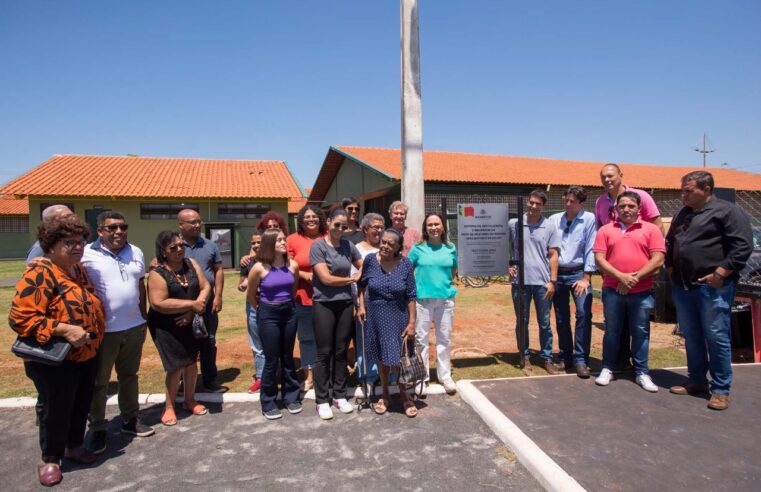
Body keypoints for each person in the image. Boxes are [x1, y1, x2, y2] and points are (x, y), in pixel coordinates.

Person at [10, 215, 105, 487]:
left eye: (81, 242)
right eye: (70, 243)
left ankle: (74, 446)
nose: (78, 247)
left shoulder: (77, 270)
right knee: (56, 408)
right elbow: (21, 318)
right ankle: (50, 458)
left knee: (80, 403)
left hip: (86, 353)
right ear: (51, 246)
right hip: (56, 359)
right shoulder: (41, 271)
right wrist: (64, 329)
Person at [666, 171, 752, 410]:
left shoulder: (728, 212)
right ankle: (696, 381)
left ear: (707, 190)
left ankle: (721, 389)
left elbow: (743, 246)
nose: (683, 195)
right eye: (682, 190)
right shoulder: (682, 213)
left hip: (713, 288)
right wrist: (670, 267)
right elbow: (671, 241)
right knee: (691, 336)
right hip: (684, 286)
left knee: (716, 336)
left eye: (689, 190)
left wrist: (720, 273)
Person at [82, 211, 153, 456]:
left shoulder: (136, 252)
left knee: (129, 376)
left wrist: (143, 318)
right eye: (112, 228)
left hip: (133, 327)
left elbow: (139, 287)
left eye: (123, 227)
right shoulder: (86, 254)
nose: (119, 232)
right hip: (103, 331)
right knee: (99, 383)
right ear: (100, 230)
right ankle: (98, 428)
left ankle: (130, 419)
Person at [593, 192, 665, 392]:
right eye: (622, 206)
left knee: (640, 332)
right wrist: (621, 277)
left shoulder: (651, 229)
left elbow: (657, 259)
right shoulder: (606, 230)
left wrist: (634, 279)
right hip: (612, 290)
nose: (626, 209)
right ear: (616, 209)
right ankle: (608, 368)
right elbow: (600, 259)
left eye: (630, 206)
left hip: (642, 292)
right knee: (612, 331)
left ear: (639, 208)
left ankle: (642, 372)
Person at [147, 231, 211, 426]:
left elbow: (205, 286)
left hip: (191, 322)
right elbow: (158, 303)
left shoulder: (191, 264)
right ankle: (169, 407)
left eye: (181, 245)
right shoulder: (157, 273)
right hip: (167, 326)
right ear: (163, 252)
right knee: (175, 366)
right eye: (173, 247)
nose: (179, 249)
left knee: (191, 362)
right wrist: (192, 306)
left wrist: (195, 309)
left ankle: (190, 400)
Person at [357, 228, 418, 417]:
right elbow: (361, 285)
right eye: (383, 241)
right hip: (375, 315)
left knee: (399, 359)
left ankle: (404, 395)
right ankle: (384, 394)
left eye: (390, 244)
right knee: (381, 358)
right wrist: (361, 306)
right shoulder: (369, 261)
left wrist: (412, 323)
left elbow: (411, 295)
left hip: (399, 315)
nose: (384, 246)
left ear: (398, 247)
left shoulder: (405, 264)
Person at [310, 208, 362, 419]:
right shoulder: (318, 246)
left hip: (345, 304)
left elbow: (363, 264)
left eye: (344, 226)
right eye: (337, 225)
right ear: (329, 222)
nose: (340, 229)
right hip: (324, 303)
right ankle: (322, 399)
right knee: (324, 352)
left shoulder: (348, 245)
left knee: (341, 350)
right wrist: (353, 279)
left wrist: (360, 272)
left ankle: (339, 395)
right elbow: (326, 279)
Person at [246, 229, 301, 419]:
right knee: (271, 359)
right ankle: (268, 402)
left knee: (287, 356)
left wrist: (285, 305)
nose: (284, 243)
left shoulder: (292, 265)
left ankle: (291, 397)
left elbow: (293, 290)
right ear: (270, 244)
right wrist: (264, 309)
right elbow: (251, 295)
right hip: (268, 313)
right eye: (279, 240)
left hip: (289, 311)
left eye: (284, 239)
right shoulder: (259, 268)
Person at [508, 191, 560, 374]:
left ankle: (547, 358)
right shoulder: (514, 224)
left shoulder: (549, 226)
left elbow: (553, 255)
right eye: (531, 202)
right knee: (522, 321)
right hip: (519, 282)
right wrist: (508, 264)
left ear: (543, 206)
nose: (533, 206)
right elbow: (503, 247)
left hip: (542, 283)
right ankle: (524, 356)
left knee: (544, 322)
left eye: (538, 204)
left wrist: (552, 281)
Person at [548, 187, 597, 378]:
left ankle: (581, 360)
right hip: (558, 274)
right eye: (566, 200)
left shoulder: (589, 219)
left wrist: (586, 277)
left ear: (581, 203)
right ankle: (565, 357)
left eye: (572, 201)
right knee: (561, 317)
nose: (568, 204)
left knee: (583, 314)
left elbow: (591, 247)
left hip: (578, 273)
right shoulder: (555, 219)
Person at [409, 213, 459, 395]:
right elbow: (408, 270)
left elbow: (453, 270)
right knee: (421, 340)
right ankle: (422, 378)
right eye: (430, 225)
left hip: (445, 299)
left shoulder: (450, 248)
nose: (433, 227)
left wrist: (442, 284)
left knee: (444, 338)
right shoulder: (418, 248)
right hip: (423, 300)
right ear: (425, 228)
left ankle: (445, 376)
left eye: (436, 224)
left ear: (443, 226)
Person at [177, 209, 225, 393]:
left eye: (198, 221)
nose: (197, 225)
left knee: (209, 340)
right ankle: (184, 380)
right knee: (184, 342)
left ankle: (210, 380)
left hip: (208, 301)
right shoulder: (175, 245)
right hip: (183, 302)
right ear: (181, 225)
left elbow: (218, 270)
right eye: (192, 222)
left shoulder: (210, 246)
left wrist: (218, 295)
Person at [286, 205, 326, 391]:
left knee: (325, 338)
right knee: (307, 337)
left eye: (315, 216)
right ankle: (308, 375)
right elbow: (287, 264)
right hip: (302, 295)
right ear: (301, 220)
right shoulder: (293, 239)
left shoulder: (327, 237)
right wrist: (304, 275)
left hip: (327, 296)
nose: (311, 219)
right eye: (307, 217)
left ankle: (325, 374)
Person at [352, 213, 385, 385]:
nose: (379, 231)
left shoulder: (387, 247)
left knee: (385, 340)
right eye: (375, 227)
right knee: (366, 341)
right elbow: (356, 279)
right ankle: (368, 376)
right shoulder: (356, 249)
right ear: (365, 229)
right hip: (365, 302)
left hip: (386, 304)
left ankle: (388, 375)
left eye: (381, 227)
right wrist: (359, 304)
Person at [238, 232, 264, 393]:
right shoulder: (247, 263)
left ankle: (275, 373)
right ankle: (261, 376)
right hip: (253, 306)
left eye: (259, 242)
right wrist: (244, 284)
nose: (255, 245)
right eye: (253, 243)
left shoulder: (275, 260)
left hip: (272, 306)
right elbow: (241, 285)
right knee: (256, 343)